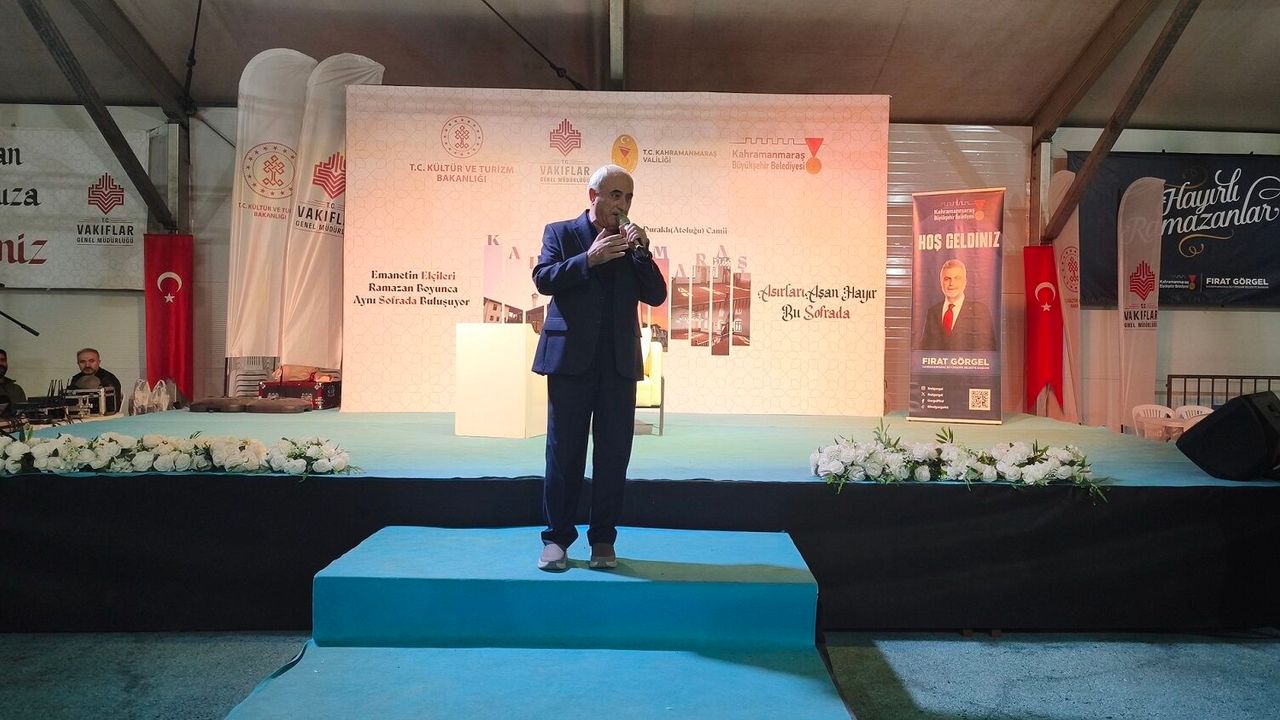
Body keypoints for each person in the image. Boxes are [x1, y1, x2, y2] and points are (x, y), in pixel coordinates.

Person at [531, 164, 668, 572]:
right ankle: (557, 539)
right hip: (570, 362)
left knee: (613, 455)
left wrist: (643, 254)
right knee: (564, 453)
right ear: (593, 196)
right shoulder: (561, 233)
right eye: (615, 195)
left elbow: (657, 295)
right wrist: (587, 261)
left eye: (628, 197)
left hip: (618, 364)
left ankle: (603, 540)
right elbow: (543, 279)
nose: (622, 204)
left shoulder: (632, 245)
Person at [917, 258, 997, 351]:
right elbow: (924, 348)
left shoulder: (979, 311)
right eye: (947, 279)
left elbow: (988, 348)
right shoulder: (932, 312)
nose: (951, 283)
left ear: (965, 282)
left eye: (957, 278)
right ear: (941, 283)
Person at [69, 347, 123, 414]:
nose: (87, 365)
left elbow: (112, 408)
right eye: (82, 362)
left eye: (91, 361)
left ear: (99, 362)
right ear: (78, 364)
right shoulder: (76, 379)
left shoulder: (109, 379)